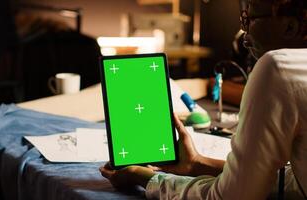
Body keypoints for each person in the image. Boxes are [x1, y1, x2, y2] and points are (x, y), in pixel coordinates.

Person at [99, 0, 307, 199]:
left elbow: (230, 197)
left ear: (290, 27)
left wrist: (145, 177)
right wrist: (196, 164)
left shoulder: (277, 67)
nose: (244, 34)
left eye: (250, 18)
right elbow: (297, 180)